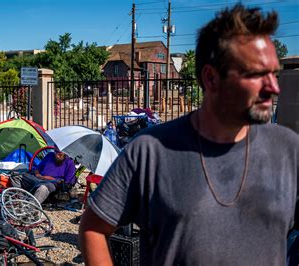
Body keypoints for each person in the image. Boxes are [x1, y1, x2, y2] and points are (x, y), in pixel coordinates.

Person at [79, 4, 299, 265]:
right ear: (211, 78)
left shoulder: (289, 149)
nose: (274, 87)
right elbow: (93, 228)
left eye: (273, 73)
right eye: (257, 74)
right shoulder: (150, 151)